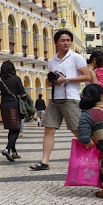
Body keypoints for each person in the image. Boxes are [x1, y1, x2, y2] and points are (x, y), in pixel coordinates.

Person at [30, 30, 89, 171]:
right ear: (56, 43)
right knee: (49, 129)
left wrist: (66, 79)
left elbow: (87, 76)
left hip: (70, 98)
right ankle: (44, 161)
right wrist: (52, 81)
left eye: (68, 40)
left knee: (77, 131)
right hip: (55, 98)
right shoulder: (52, 61)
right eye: (63, 40)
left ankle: (94, 157)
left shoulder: (76, 58)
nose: (66, 43)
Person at [0, 60, 26, 162]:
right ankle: (7, 149)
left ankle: (13, 152)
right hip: (14, 106)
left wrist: (1, 94)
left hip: (4, 106)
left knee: (11, 129)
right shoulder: (16, 79)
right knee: (16, 129)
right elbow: (22, 93)